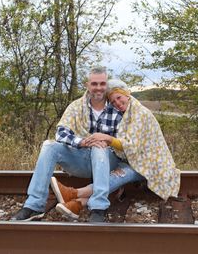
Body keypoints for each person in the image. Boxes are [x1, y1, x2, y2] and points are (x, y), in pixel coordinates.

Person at [11, 67, 143, 223]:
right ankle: (34, 205)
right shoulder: (76, 107)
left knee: (99, 147)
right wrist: (81, 142)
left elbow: (130, 138)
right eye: (94, 83)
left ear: (106, 84)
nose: (98, 88)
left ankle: (98, 208)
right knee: (49, 146)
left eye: (102, 83)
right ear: (87, 85)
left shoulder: (117, 107)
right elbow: (61, 132)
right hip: (81, 160)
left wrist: (103, 141)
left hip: (108, 161)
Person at [50, 79, 181, 220]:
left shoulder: (140, 113)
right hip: (134, 160)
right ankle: (78, 204)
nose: (117, 103)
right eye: (113, 102)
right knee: (113, 173)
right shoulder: (127, 113)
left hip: (152, 164)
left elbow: (131, 145)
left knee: (120, 174)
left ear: (127, 94)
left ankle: (75, 193)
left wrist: (108, 139)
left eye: (119, 98)